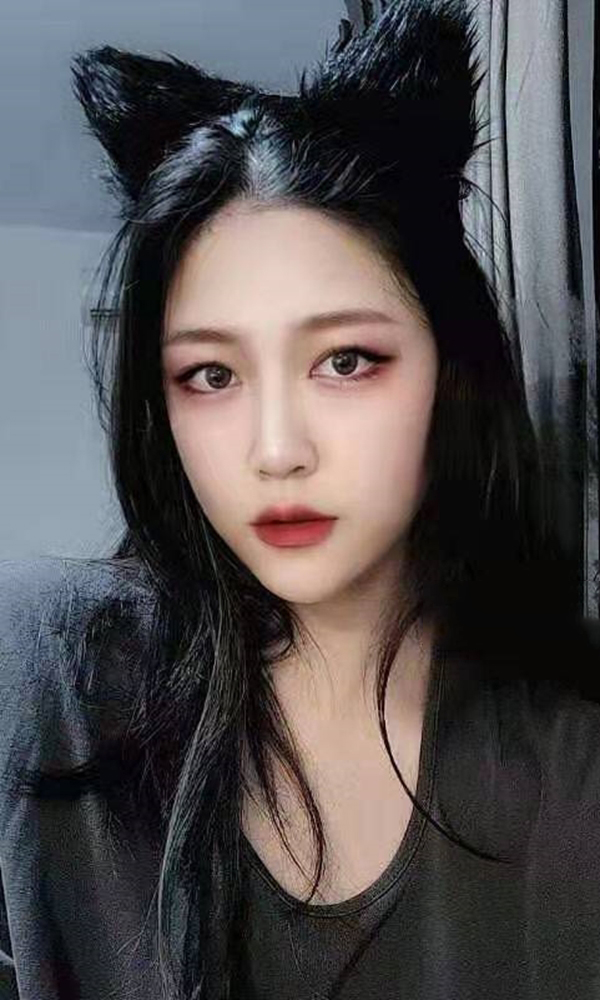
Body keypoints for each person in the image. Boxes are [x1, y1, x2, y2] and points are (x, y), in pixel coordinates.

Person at [1, 0, 599, 997]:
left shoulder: (569, 775)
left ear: (452, 371)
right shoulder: (49, 675)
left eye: (346, 360)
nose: (276, 451)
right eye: (211, 376)